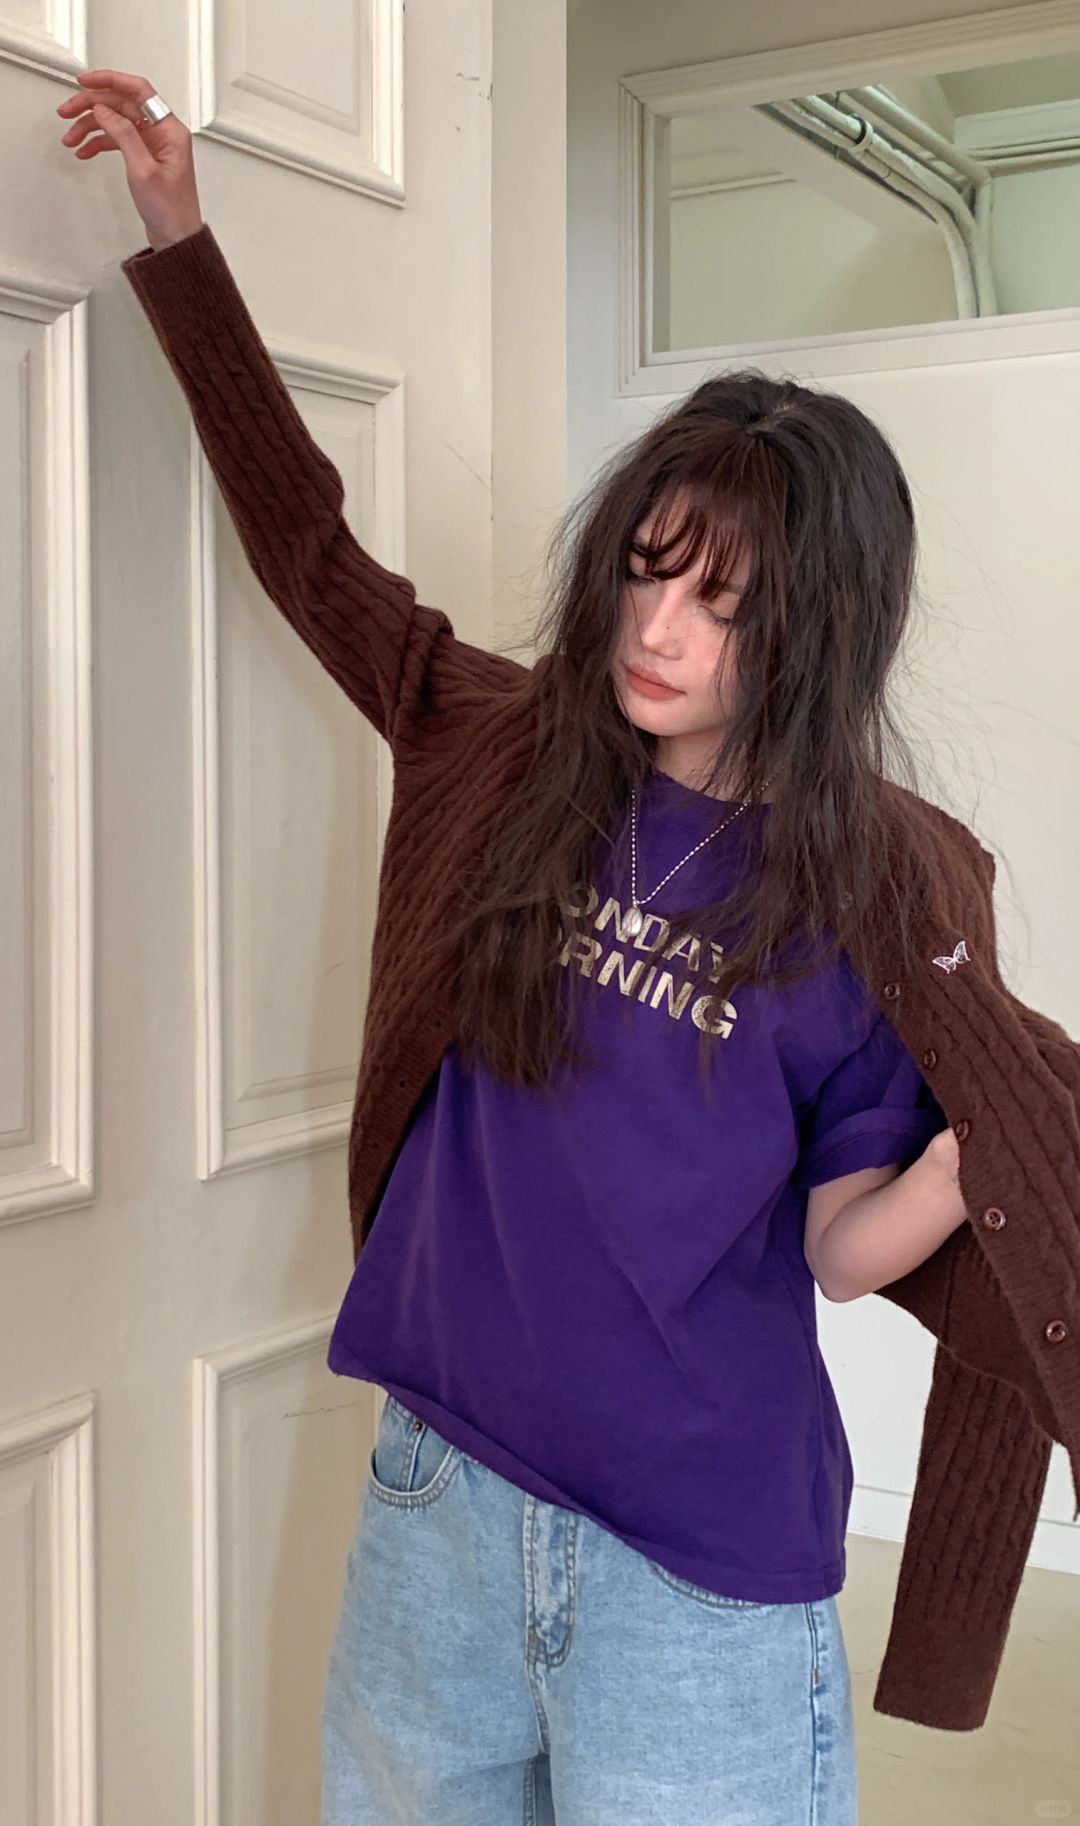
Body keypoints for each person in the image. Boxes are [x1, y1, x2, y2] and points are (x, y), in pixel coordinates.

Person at [59, 69, 1005, 1826]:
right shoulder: (499, 750)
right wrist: (180, 237)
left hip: (694, 1574)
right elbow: (307, 548)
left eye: (723, 603)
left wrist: (976, 1165)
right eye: (648, 569)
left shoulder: (867, 894)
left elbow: (842, 1249)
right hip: (440, 1499)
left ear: (815, 632)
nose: (660, 628)